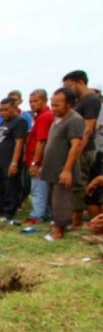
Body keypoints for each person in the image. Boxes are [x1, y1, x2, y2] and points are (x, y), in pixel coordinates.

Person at [41, 88, 84, 240]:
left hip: (63, 169)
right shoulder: (57, 119)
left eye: (57, 105)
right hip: (52, 168)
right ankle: (56, 226)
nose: (53, 109)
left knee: (61, 200)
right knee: (53, 198)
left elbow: (76, 146)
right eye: (52, 105)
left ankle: (60, 231)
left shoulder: (74, 120)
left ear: (69, 104)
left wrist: (67, 170)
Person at [62, 70, 102, 227]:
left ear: (80, 82)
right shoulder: (80, 101)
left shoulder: (91, 100)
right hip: (76, 148)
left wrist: (78, 151)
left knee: (80, 183)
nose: (68, 89)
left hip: (84, 150)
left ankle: (76, 221)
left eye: (69, 85)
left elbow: (88, 128)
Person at [0, 97, 28, 223]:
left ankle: (8, 213)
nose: (2, 113)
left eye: (6, 110)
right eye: (1, 110)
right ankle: (0, 210)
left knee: (10, 188)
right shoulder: (3, 122)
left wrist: (14, 163)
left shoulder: (19, 121)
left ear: (14, 108)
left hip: (9, 161)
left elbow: (19, 143)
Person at [25, 89, 54, 224]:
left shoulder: (44, 117)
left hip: (39, 161)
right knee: (43, 190)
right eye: (30, 101)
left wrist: (34, 163)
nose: (32, 104)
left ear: (44, 100)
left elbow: (41, 141)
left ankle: (37, 216)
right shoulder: (42, 116)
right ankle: (45, 213)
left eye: (36, 101)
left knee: (38, 190)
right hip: (43, 160)